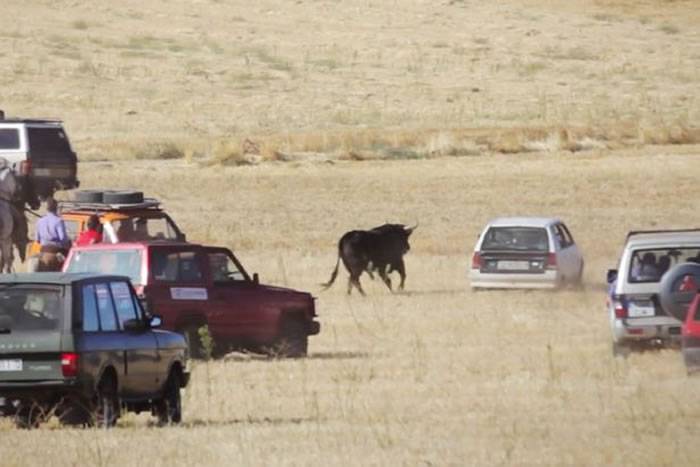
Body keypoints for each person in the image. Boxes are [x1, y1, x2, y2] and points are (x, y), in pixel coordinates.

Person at [35, 198, 71, 271]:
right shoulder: (58, 221)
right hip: (56, 250)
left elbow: (37, 240)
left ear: (47, 208)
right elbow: (63, 239)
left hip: (43, 250)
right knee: (69, 263)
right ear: (56, 208)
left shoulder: (40, 221)